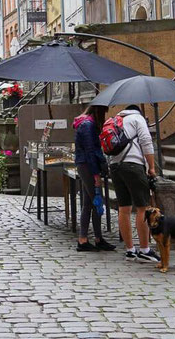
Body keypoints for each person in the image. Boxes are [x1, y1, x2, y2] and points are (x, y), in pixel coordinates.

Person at [109, 104, 161, 263]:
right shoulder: (137, 118)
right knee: (143, 208)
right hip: (133, 166)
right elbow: (146, 141)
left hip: (115, 166)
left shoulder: (115, 120)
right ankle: (144, 249)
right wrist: (151, 167)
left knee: (124, 208)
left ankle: (130, 250)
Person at [73, 106, 117, 252]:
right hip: (87, 166)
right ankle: (92, 239)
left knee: (88, 203)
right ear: (98, 112)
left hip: (84, 164)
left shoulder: (85, 123)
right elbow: (90, 151)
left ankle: (86, 239)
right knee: (97, 202)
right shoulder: (88, 125)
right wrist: (96, 174)